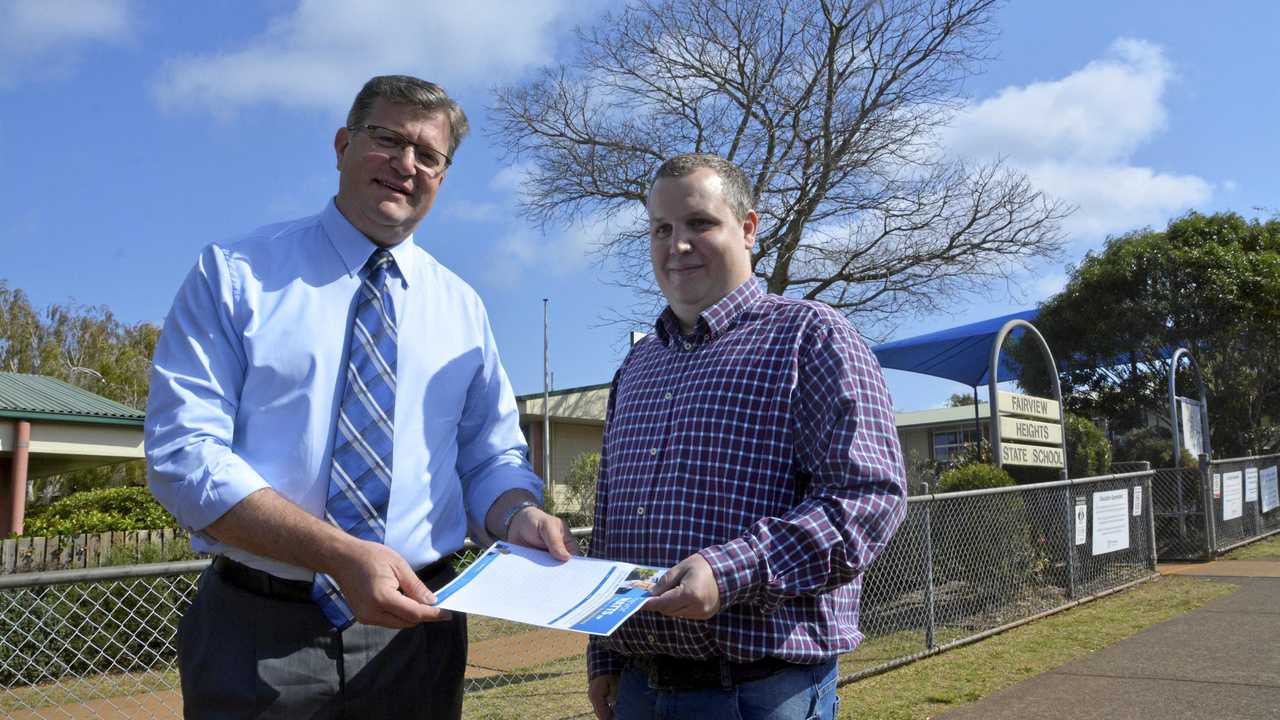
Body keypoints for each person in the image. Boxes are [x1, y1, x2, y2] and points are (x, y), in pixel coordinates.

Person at [145, 75, 574, 720]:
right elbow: (185, 455)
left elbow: (489, 457)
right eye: (388, 139)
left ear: (443, 176)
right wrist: (340, 554)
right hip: (257, 632)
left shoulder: (461, 307)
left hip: (417, 635)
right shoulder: (237, 274)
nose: (406, 164)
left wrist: (518, 514)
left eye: (429, 154)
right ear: (343, 144)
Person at [585, 154, 908, 720]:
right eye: (661, 229)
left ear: (749, 227)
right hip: (638, 687)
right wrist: (603, 652)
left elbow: (869, 499)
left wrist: (730, 570)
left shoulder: (811, 337)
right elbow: (611, 517)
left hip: (760, 693)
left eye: (699, 224)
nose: (677, 245)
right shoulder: (637, 366)